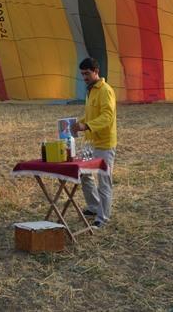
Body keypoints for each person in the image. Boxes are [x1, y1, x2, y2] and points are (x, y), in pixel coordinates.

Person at [71, 57, 117, 229]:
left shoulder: (106, 91)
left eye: (87, 73)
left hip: (104, 144)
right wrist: (77, 123)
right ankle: (94, 207)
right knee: (84, 174)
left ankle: (103, 218)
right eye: (82, 74)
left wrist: (86, 125)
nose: (84, 77)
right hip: (90, 143)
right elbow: (91, 115)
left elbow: (107, 117)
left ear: (96, 71)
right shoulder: (90, 90)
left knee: (104, 180)